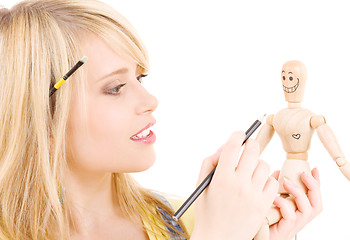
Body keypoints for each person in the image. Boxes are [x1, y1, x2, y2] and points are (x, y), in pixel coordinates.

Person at [0, 0, 322, 239]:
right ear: (41, 118)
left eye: (141, 78)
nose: (150, 102)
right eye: (115, 88)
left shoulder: (187, 220)